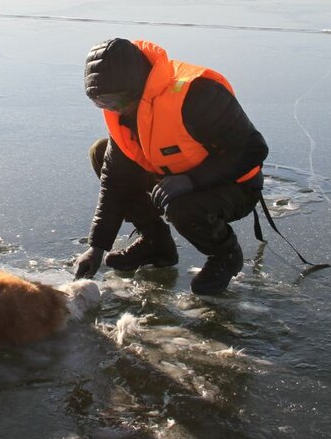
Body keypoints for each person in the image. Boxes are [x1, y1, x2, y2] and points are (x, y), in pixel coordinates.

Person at [73, 38, 268, 295]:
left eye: (114, 102)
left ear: (137, 87)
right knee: (102, 153)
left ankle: (225, 255)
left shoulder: (197, 93)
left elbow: (253, 149)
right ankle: (157, 244)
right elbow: (115, 183)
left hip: (235, 185)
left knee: (182, 208)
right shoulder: (124, 111)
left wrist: (192, 181)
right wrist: (97, 247)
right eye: (101, 104)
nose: (112, 110)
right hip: (173, 175)